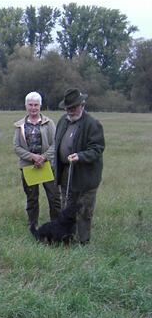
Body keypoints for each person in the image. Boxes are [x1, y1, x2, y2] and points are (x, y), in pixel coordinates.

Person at [53, 88, 105, 244]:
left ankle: (83, 242)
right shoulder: (63, 121)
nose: (70, 111)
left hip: (85, 176)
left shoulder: (92, 124)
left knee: (83, 211)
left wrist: (80, 156)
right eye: (68, 108)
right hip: (66, 173)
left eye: (73, 108)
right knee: (66, 208)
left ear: (82, 105)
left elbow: (97, 148)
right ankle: (67, 238)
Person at [13, 91, 60, 227]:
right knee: (32, 199)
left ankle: (56, 225)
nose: (33, 108)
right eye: (30, 105)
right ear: (26, 106)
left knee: (54, 197)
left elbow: (56, 143)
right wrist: (32, 157)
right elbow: (16, 147)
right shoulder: (19, 125)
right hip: (29, 167)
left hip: (47, 166)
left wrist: (43, 157)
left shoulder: (49, 123)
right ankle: (32, 226)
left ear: (40, 106)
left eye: (36, 105)